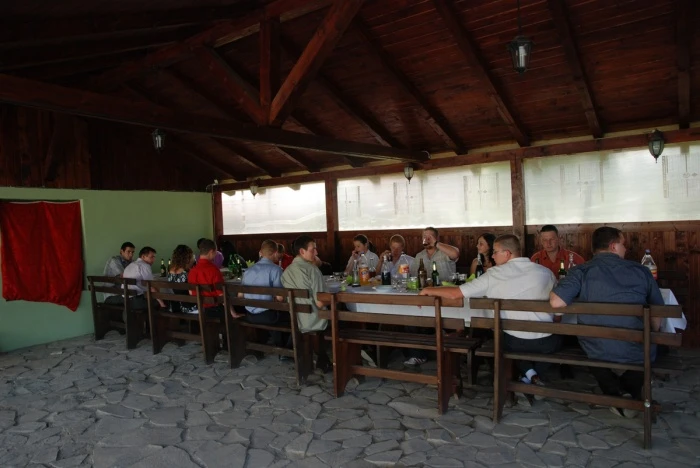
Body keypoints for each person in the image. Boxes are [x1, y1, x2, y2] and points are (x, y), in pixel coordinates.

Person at [550, 226, 664, 417]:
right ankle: (628, 392)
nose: (625, 249)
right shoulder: (641, 271)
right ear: (613, 246)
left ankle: (615, 392)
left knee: (587, 346)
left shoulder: (581, 271)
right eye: (623, 244)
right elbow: (657, 314)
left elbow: (556, 302)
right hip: (636, 347)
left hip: (595, 347)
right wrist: (653, 333)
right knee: (655, 346)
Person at [421, 234, 560, 388]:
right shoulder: (546, 272)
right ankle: (533, 375)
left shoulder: (494, 274)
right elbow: (558, 315)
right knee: (557, 339)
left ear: (507, 253)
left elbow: (456, 294)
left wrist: (428, 290)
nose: (492, 256)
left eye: (495, 252)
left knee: (500, 340)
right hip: (547, 343)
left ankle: (530, 374)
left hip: (512, 342)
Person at [241, 240, 289, 346]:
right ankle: (283, 347)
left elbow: (240, 295)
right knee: (289, 316)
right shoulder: (276, 270)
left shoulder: (248, 271)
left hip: (250, 315)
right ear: (275, 253)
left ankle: (263, 341)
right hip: (269, 317)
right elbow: (280, 298)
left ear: (261, 252)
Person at [189, 239, 241, 319]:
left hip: (199, 309)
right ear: (211, 252)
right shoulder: (213, 270)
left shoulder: (192, 271)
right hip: (214, 309)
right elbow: (222, 295)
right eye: (216, 252)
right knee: (240, 306)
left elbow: (191, 292)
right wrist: (233, 313)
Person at [109, 246, 165, 314]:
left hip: (125, 300)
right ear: (143, 256)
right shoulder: (145, 266)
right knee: (162, 301)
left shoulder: (130, 265)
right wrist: (162, 304)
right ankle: (150, 320)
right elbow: (151, 287)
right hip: (136, 301)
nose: (154, 259)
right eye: (151, 257)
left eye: (154, 257)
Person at [167, 244, 196, 314]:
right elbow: (193, 292)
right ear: (187, 258)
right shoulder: (188, 273)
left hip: (177, 307)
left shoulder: (170, 272)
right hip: (190, 307)